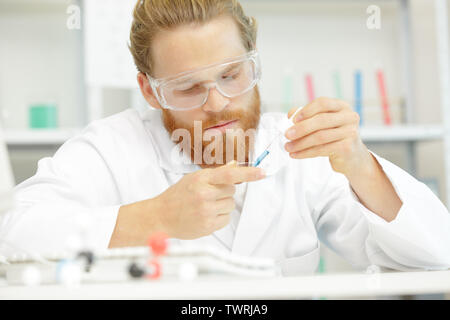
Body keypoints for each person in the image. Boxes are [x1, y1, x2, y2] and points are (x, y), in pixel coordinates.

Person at [1, 0, 449, 276]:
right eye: (188, 87)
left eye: (232, 75)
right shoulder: (109, 149)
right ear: (149, 91)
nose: (216, 103)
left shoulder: (299, 150)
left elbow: (434, 256)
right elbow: (13, 238)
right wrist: (153, 218)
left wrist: (359, 164)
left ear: (254, 62)